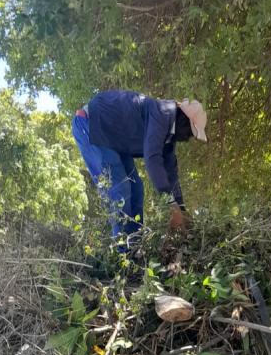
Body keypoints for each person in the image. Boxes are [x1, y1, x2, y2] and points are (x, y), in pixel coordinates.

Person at [71, 90, 207, 248]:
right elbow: (152, 159)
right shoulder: (162, 114)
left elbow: (170, 172)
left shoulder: (168, 135)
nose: (188, 138)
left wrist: (181, 209)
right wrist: (171, 205)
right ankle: (122, 254)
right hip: (92, 124)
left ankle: (135, 248)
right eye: (190, 132)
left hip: (114, 139)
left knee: (136, 189)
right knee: (120, 190)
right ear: (184, 122)